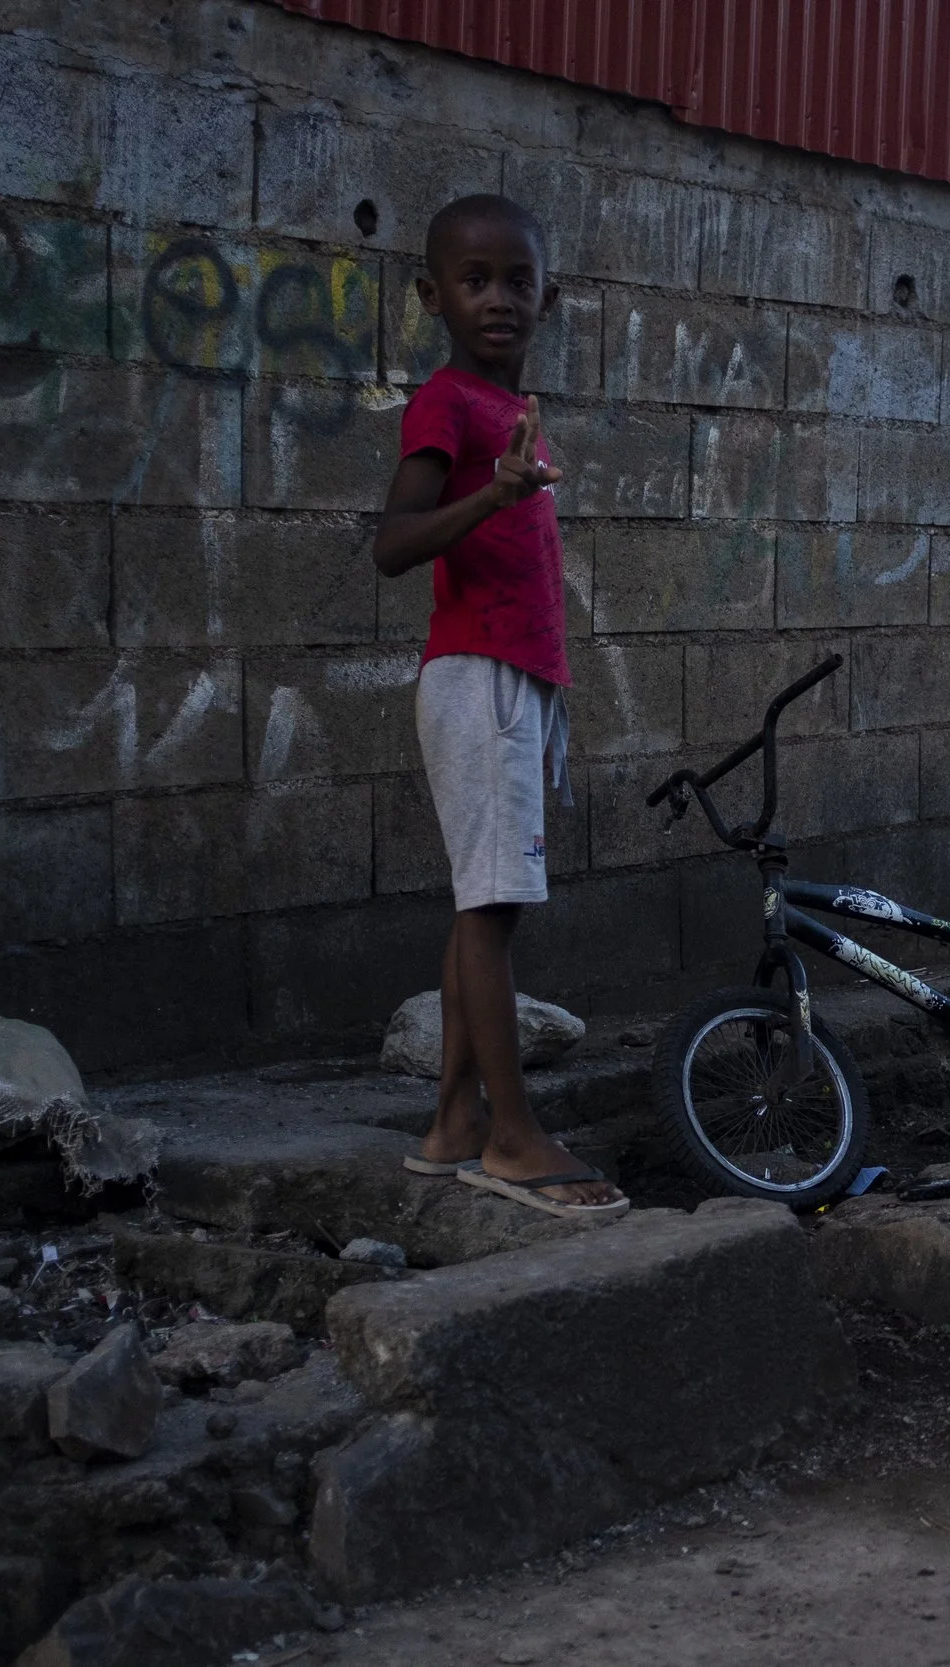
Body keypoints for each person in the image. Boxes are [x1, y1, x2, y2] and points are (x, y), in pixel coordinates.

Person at [370, 194, 625, 1218]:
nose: (497, 299)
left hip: (511, 680)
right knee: (491, 908)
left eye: (518, 281)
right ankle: (514, 1137)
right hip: (478, 679)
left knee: (486, 900)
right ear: (432, 296)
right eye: (473, 281)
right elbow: (393, 543)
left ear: (548, 298)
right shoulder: (448, 404)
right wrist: (492, 494)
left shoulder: (506, 412)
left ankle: (453, 1123)